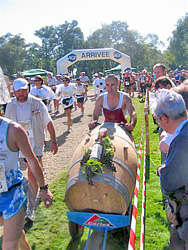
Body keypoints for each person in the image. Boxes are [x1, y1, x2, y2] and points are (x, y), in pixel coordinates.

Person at [5, 78, 58, 221]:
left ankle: (31, 208)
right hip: (18, 144)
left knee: (31, 173)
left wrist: (54, 141)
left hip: (36, 143)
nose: (21, 93)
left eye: (24, 90)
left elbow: (48, 122)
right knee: (33, 168)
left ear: (28, 89)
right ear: (14, 91)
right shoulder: (10, 106)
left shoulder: (37, 103)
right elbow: (6, 125)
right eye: (18, 91)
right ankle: (42, 185)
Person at [0, 116, 53, 250]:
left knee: (9, 245)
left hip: (12, 197)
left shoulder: (13, 130)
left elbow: (32, 160)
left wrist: (44, 188)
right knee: (17, 236)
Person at [153, 89, 188, 249]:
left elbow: (170, 183)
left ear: (163, 118)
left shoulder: (181, 140)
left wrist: (163, 170)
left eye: (157, 121)